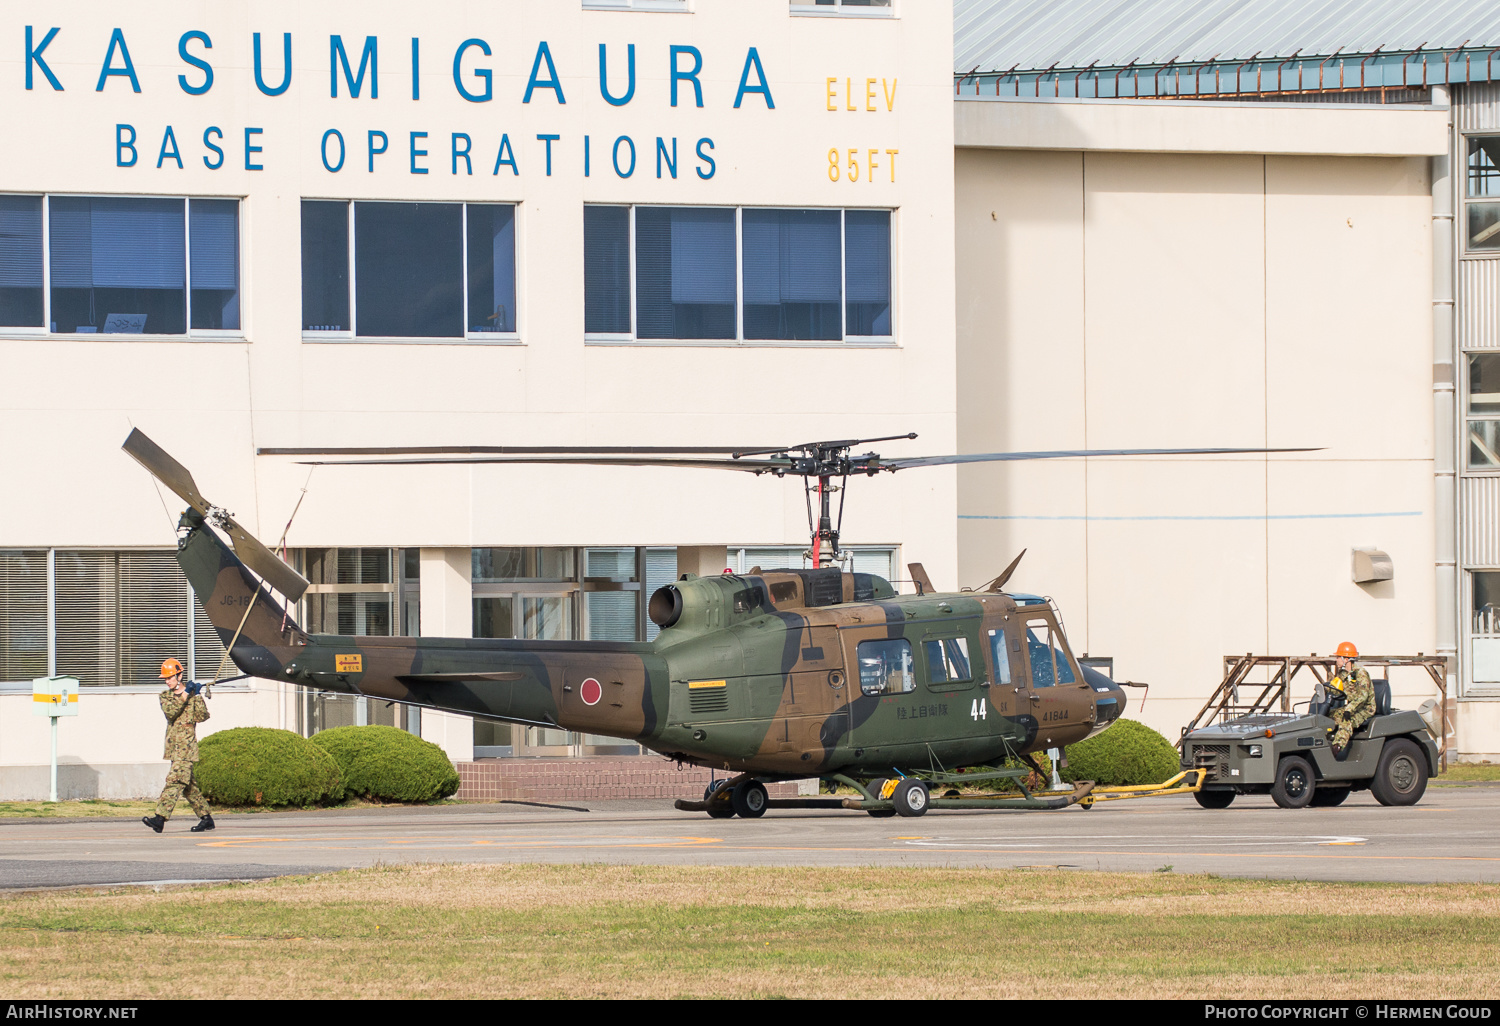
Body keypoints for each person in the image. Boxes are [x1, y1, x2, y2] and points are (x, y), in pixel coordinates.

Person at [141, 657, 214, 833]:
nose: (167, 681)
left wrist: (196, 696)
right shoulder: (165, 697)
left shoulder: (191, 696)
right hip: (174, 749)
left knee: (174, 781)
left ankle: (160, 819)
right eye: (165, 678)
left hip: (187, 749)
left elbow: (202, 716)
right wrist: (185, 694)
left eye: (170, 677)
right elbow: (171, 712)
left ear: (179, 676)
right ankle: (207, 819)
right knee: (189, 788)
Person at [1326, 641, 1375, 762]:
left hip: (1365, 708)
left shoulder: (1360, 673)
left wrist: (1349, 709)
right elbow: (1336, 689)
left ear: (1346, 659)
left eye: (1338, 657)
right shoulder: (1343, 674)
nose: (1336, 660)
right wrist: (1326, 689)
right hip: (1352, 707)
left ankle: (1336, 748)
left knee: (1346, 719)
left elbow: (1363, 697)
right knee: (1328, 716)